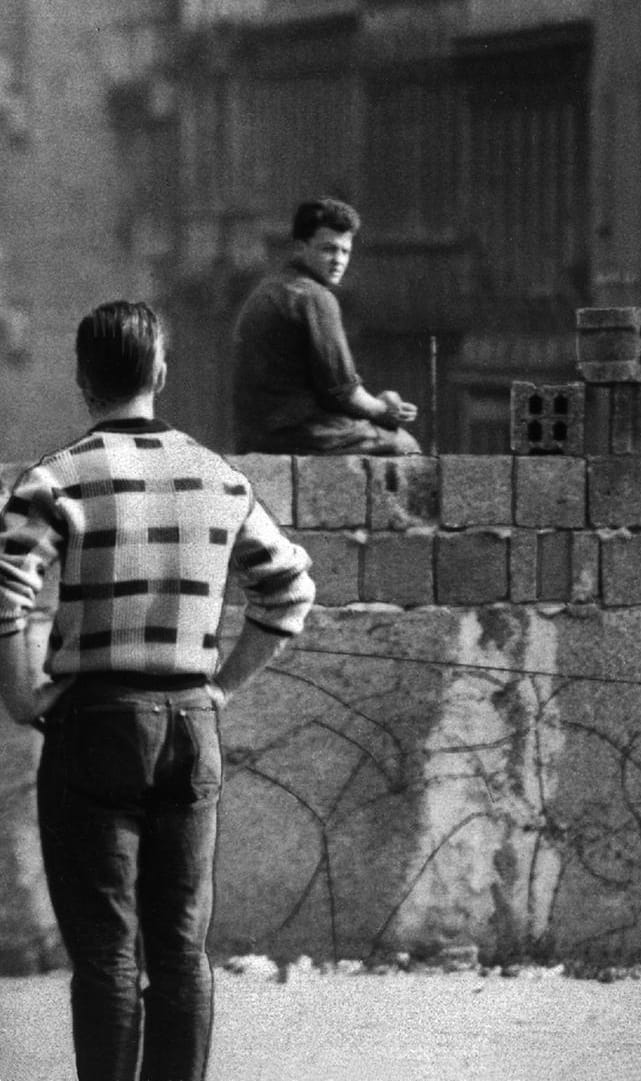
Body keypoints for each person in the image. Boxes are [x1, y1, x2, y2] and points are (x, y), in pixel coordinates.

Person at [0, 301, 316, 1081]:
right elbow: (290, 590)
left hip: (93, 725)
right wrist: (221, 687)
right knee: (180, 949)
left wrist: (21, 692)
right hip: (189, 725)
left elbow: (8, 585)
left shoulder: (53, 478)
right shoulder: (219, 476)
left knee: (106, 951)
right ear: (161, 374)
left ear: (82, 381)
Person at [231, 197, 421, 455]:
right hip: (299, 434)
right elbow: (343, 392)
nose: (338, 260)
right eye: (328, 249)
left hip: (254, 436)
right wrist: (384, 409)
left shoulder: (266, 290)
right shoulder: (314, 297)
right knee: (405, 446)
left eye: (345, 251)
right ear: (300, 248)